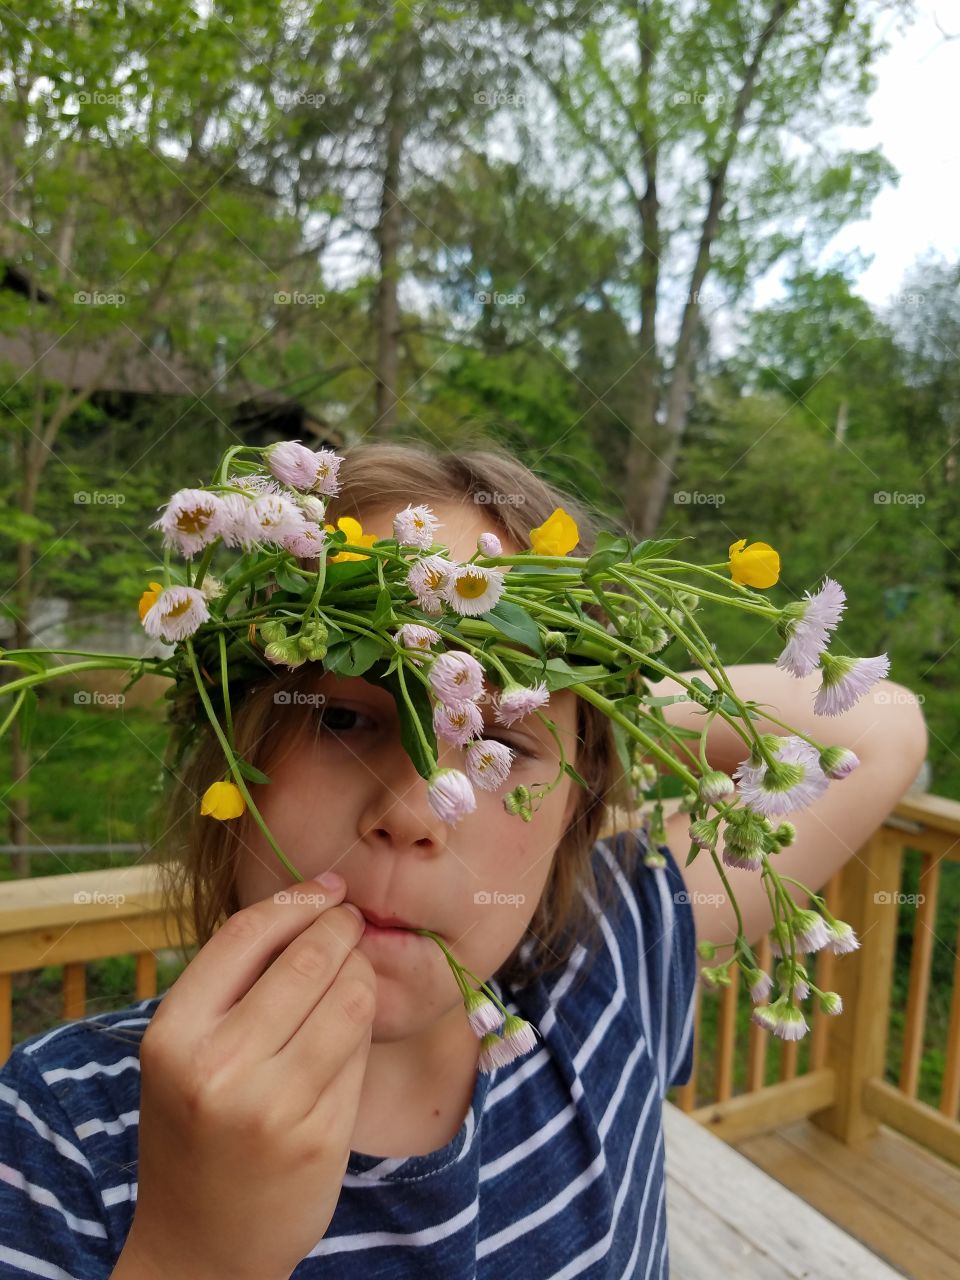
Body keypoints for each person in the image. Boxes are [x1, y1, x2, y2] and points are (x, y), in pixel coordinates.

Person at [0, 440, 928, 1279]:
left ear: (576, 808)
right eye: (343, 718)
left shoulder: (610, 968)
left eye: (500, 742)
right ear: (229, 757)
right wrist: (194, 1257)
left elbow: (883, 725)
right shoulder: (60, 1135)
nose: (410, 814)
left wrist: (600, 701)